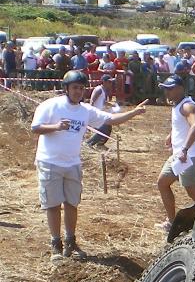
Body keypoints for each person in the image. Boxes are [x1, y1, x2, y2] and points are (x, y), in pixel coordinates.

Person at [31, 71, 146, 261]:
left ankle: (70, 241)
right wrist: (57, 127)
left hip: (73, 163)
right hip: (49, 162)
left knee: (71, 203)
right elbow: (36, 128)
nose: (78, 91)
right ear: (66, 88)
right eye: (75, 88)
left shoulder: (85, 111)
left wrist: (133, 113)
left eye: (81, 88)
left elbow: (110, 119)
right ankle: (55, 244)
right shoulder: (50, 106)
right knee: (52, 204)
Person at [156, 74, 195, 233]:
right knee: (162, 183)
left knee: (194, 192)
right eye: (165, 89)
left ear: (180, 89)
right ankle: (171, 223)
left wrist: (184, 149)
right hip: (179, 156)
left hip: (187, 156)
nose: (167, 93)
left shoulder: (187, 106)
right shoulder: (177, 105)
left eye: (169, 89)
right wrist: (171, 134)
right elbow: (181, 124)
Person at [86, 74, 119, 149]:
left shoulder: (104, 90)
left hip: (101, 113)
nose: (111, 84)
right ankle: (89, 143)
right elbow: (92, 101)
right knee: (103, 130)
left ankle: (100, 144)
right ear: (104, 82)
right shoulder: (99, 89)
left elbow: (103, 102)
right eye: (109, 82)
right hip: (96, 114)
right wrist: (90, 113)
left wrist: (111, 104)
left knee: (108, 129)